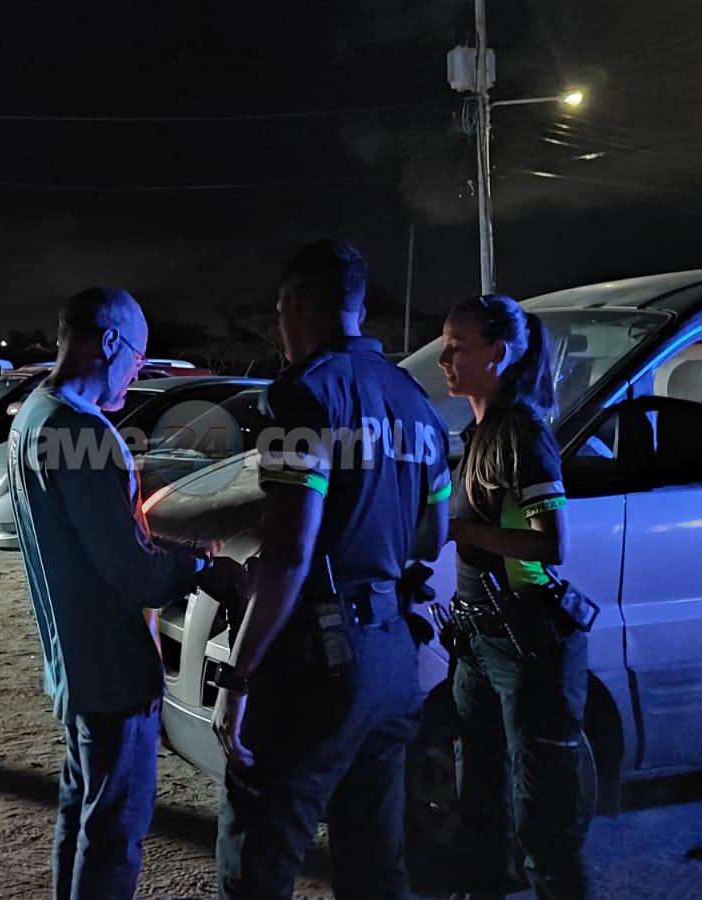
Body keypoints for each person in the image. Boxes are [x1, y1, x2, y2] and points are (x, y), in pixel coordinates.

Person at [212, 240, 452, 899]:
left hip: (318, 661)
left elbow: (291, 553)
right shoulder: (416, 401)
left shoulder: (301, 395)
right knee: (375, 863)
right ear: (358, 307)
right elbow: (432, 536)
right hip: (393, 657)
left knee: (261, 854)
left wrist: (238, 677)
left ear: (294, 305)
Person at [8, 286, 247, 900]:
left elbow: (98, 536)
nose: (138, 371)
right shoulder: (82, 433)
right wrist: (202, 567)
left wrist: (166, 542)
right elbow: (132, 570)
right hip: (113, 671)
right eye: (137, 357)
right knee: (114, 831)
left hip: (74, 664)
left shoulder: (34, 415)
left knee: (82, 814)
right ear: (110, 341)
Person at [436, 294, 591, 900]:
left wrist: (457, 530)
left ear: (497, 354)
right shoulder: (479, 431)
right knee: (478, 805)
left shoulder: (523, 434)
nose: (444, 359)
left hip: (526, 643)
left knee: (542, 823)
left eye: (457, 347)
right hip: (478, 640)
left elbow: (551, 545)